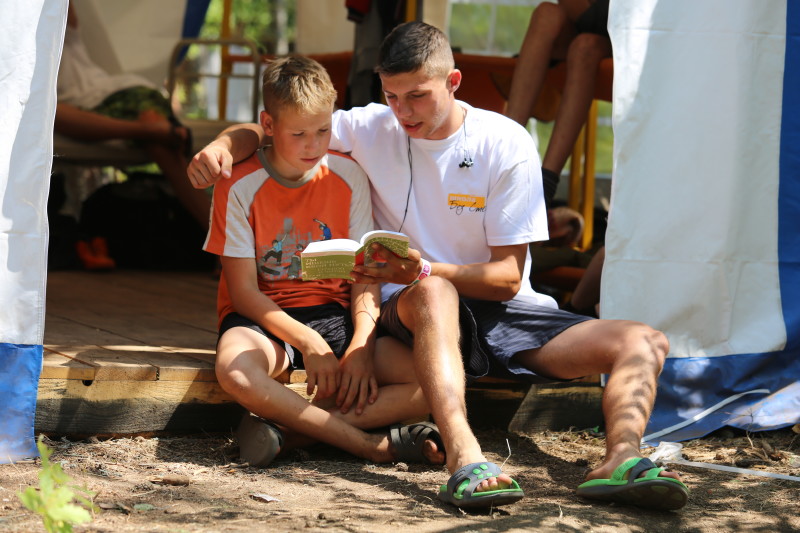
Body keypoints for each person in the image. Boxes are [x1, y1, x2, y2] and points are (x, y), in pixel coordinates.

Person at [187, 22, 689, 511]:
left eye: (417, 96)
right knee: (433, 295)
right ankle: (466, 460)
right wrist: (221, 147)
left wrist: (426, 270)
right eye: (392, 96)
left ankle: (622, 458)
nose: (402, 111)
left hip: (497, 309)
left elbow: (509, 279)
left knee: (644, 340)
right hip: (410, 311)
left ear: (453, 82)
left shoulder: (505, 141)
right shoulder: (368, 126)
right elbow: (275, 126)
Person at [204, 54, 447, 473]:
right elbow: (243, 292)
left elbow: (365, 275)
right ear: (268, 124)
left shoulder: (348, 174)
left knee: (430, 380)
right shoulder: (239, 185)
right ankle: (368, 446)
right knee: (236, 371)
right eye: (298, 133)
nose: (314, 145)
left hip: (335, 317)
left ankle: (290, 435)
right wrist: (308, 343)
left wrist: (360, 345)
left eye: (323, 130)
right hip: (267, 321)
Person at [56, 5, 211, 241]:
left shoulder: (56, 19)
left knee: (163, 148)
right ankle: (225, 246)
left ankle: (224, 246)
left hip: (118, 91)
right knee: (51, 112)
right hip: (70, 108)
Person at [504, 0, 612, 207]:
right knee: (546, 13)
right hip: (589, 28)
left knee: (584, 47)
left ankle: (545, 185)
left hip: (630, 35)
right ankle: (502, 152)